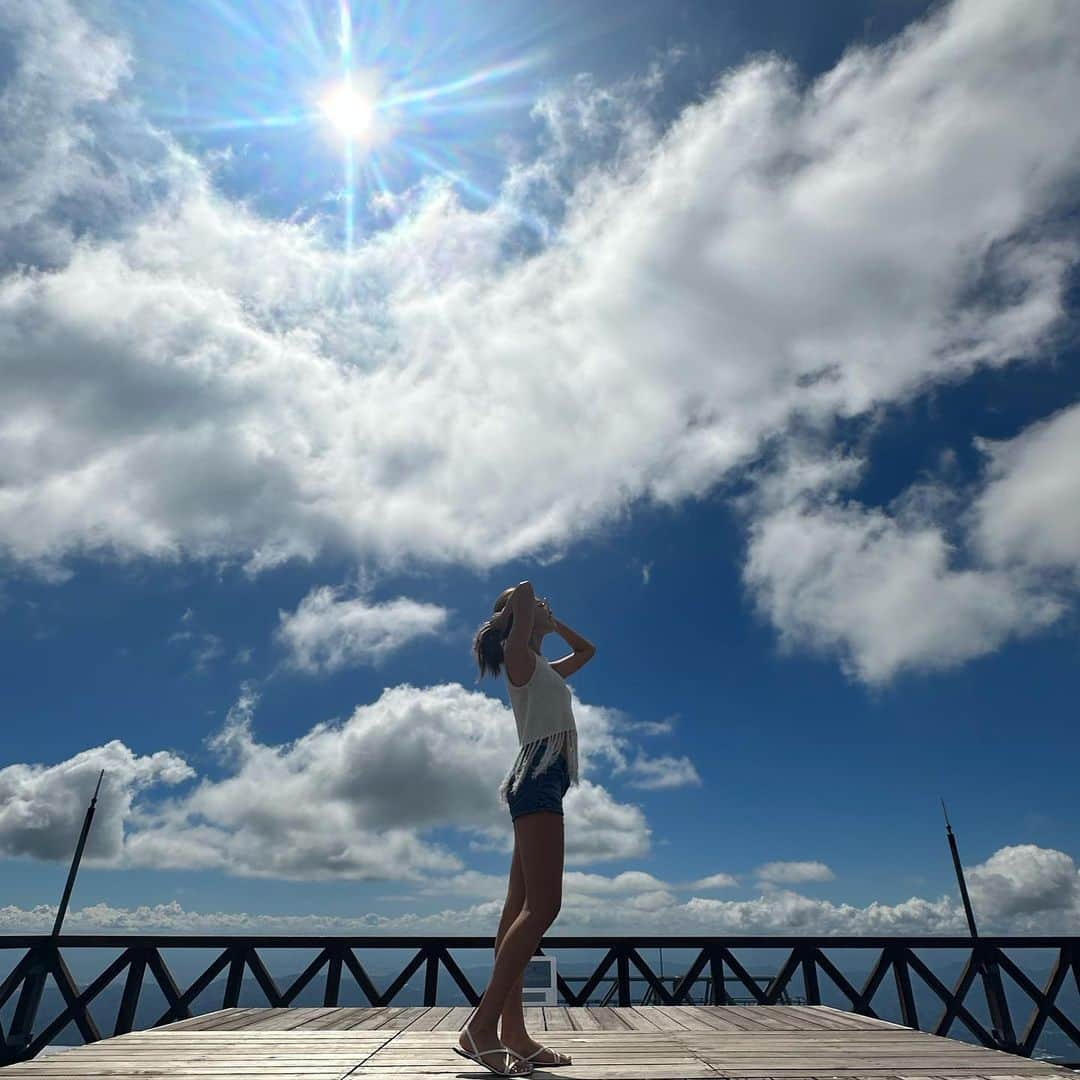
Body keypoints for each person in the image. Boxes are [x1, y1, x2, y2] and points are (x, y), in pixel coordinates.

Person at [458, 580, 595, 1076]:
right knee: (545, 905)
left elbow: (588, 650)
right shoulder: (517, 658)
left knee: (519, 907)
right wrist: (517, 615)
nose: (543, 602)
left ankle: (512, 1033)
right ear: (514, 621)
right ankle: (481, 1025)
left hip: (543, 781)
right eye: (536, 606)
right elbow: (525, 588)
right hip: (536, 778)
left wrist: (550, 622)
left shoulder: (541, 665)